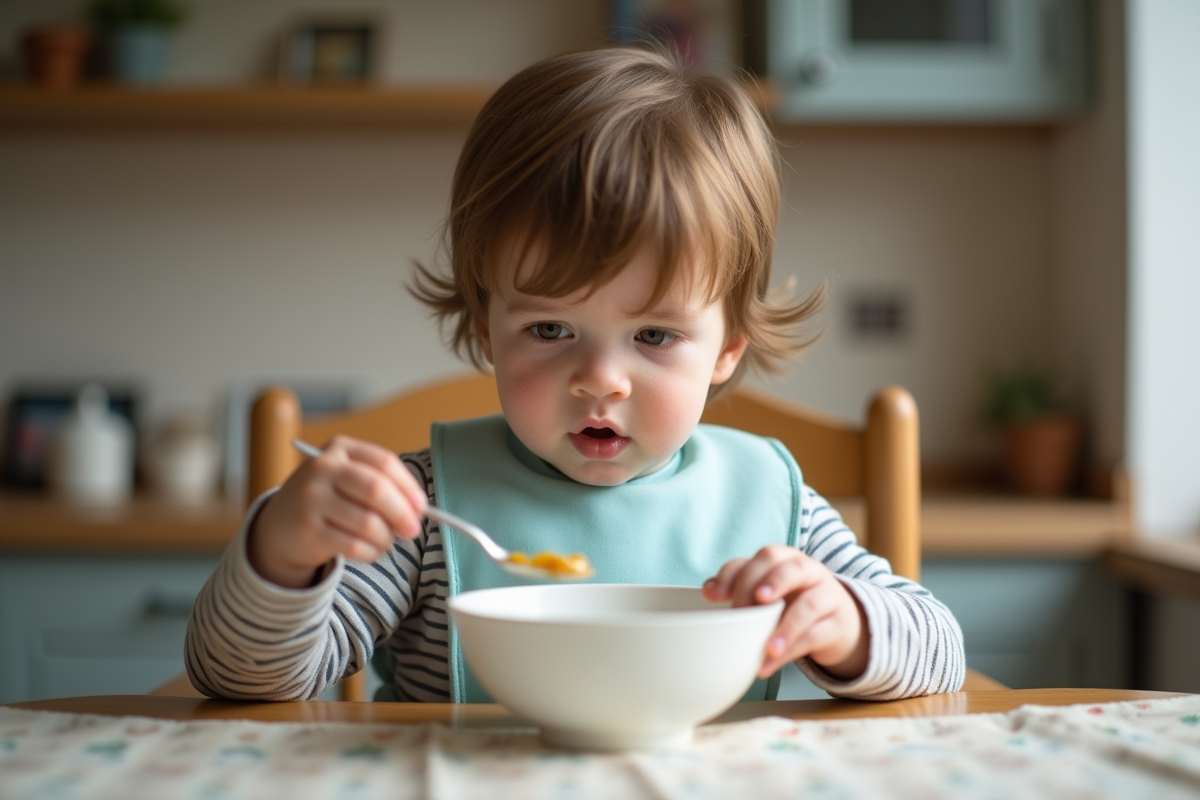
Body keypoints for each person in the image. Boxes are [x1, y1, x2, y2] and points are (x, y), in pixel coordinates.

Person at [186, 46, 964, 703]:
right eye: (550, 329)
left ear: (728, 346)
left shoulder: (774, 509)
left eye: (654, 334)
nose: (601, 380)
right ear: (486, 325)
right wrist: (283, 551)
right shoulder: (422, 518)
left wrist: (847, 624)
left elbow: (939, 651)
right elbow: (239, 678)